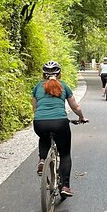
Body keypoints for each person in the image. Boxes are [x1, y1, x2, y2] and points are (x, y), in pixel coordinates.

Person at [31, 61, 87, 197]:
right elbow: (75, 107)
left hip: (39, 122)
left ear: (43, 74)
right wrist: (81, 117)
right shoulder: (64, 87)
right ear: (59, 74)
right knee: (65, 154)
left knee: (44, 137)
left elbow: (35, 108)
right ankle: (65, 187)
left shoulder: (38, 87)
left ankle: (43, 159)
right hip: (60, 123)